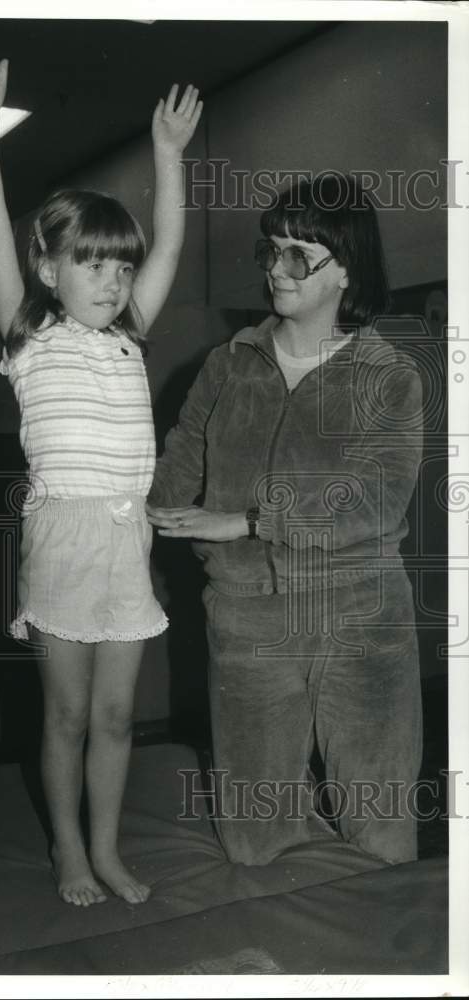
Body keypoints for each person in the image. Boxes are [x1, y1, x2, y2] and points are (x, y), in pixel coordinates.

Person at [0, 28, 202, 906]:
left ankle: (107, 849)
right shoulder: (30, 334)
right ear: (47, 268)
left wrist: (168, 154)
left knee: (115, 715)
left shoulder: (130, 333)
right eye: (90, 264)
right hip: (62, 536)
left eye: (118, 266)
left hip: (125, 539)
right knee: (64, 713)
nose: (111, 280)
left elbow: (168, 245)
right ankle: (66, 848)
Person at [147, 173, 424, 867]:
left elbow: (376, 501)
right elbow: (173, 474)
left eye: (299, 255)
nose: (277, 268)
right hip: (247, 617)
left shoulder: (387, 375)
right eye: (270, 250)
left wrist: (246, 520)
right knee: (252, 841)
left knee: (380, 829)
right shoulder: (226, 365)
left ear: (346, 270)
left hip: (360, 613)